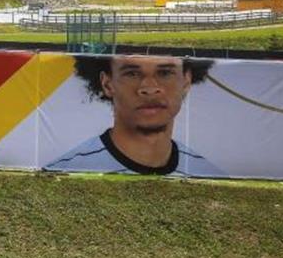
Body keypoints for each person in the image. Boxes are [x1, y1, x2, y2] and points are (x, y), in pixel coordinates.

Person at [44, 54, 221, 176]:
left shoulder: (208, 174)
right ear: (107, 84)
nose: (150, 88)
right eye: (132, 74)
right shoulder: (66, 171)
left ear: (186, 81)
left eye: (165, 72)